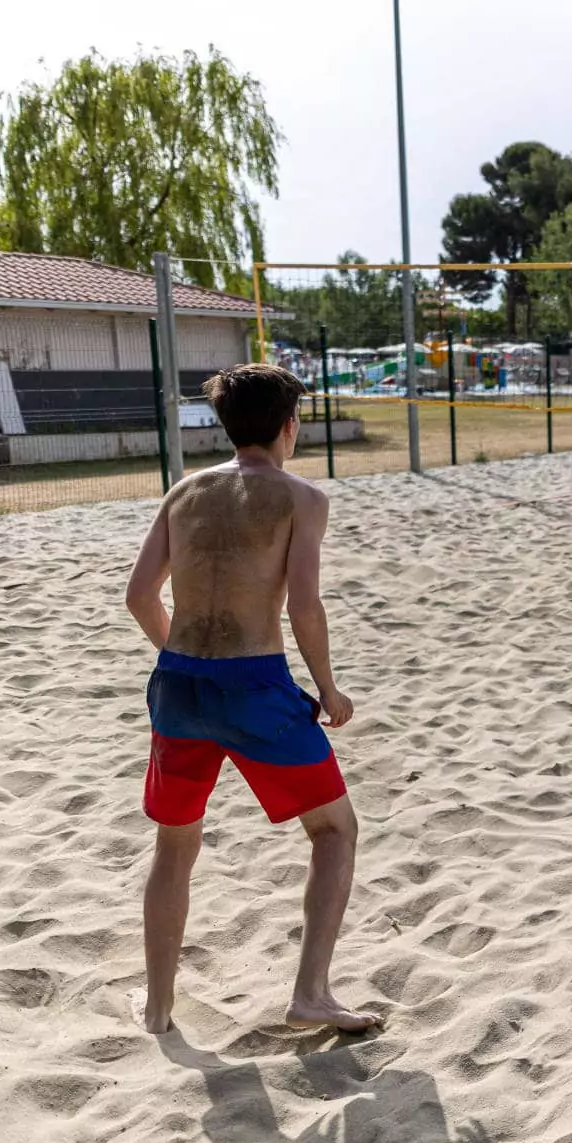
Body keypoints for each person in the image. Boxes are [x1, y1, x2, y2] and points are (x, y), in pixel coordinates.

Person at [124, 363, 378, 1036]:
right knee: (334, 831)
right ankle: (311, 994)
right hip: (255, 683)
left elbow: (139, 596)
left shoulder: (183, 492)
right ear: (289, 426)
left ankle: (157, 1008)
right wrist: (328, 689)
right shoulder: (300, 497)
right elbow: (304, 606)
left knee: (174, 846)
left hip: (178, 683)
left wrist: (177, 655)